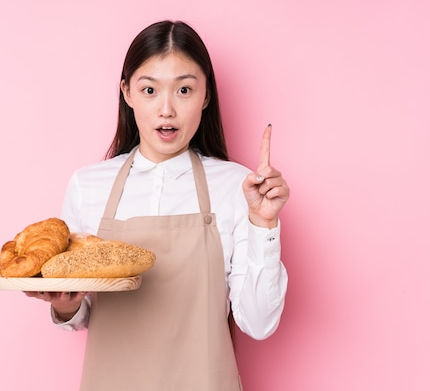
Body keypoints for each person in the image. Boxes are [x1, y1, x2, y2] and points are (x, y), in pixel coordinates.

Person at [24, 20, 290, 391]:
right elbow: (80, 313)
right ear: (127, 93)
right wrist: (66, 304)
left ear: (206, 95)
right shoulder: (88, 185)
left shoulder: (237, 187)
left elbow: (259, 324)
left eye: (184, 89)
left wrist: (264, 224)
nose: (166, 109)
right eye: (149, 89)